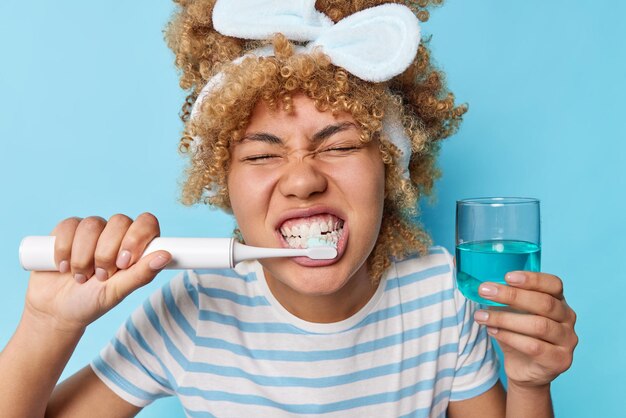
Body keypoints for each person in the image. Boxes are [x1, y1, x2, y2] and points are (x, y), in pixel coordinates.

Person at [0, 0, 578, 417]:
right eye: (261, 154)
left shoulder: (439, 296)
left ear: (391, 168)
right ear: (222, 183)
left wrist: (529, 383)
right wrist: (48, 325)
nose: (302, 179)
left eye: (342, 145)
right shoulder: (195, 310)